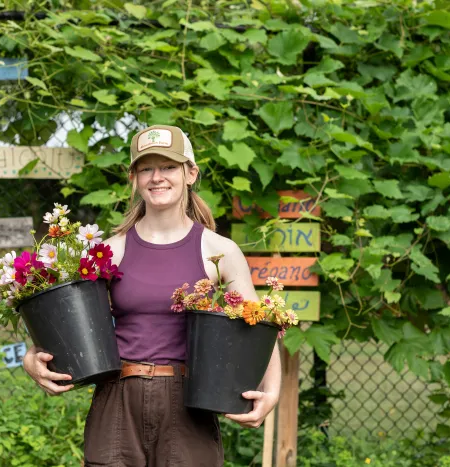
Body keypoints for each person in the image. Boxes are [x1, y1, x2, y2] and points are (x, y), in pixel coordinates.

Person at [23, 124, 282, 466]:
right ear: (134, 178)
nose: (157, 177)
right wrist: (31, 360)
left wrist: (272, 392)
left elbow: (258, 328)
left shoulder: (218, 250)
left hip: (190, 403)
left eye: (169, 167)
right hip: (118, 401)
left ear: (190, 173)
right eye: (146, 168)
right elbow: (63, 320)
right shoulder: (107, 253)